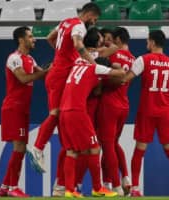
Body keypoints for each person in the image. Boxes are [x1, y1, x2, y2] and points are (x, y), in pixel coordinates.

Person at [27, 2, 101, 175]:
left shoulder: (66, 21)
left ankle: (64, 184)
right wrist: (93, 64)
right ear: (90, 15)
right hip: (60, 75)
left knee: (61, 117)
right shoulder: (79, 27)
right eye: (95, 19)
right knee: (56, 113)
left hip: (56, 73)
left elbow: (49, 38)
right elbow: (77, 43)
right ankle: (38, 147)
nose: (94, 23)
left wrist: (64, 55)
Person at [122, 30, 169, 197]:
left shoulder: (143, 60)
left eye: (147, 41)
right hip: (165, 112)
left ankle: (135, 188)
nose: (146, 44)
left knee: (140, 149)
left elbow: (125, 79)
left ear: (152, 42)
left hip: (147, 110)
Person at [59, 56, 126, 197]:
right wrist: (116, 65)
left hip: (64, 111)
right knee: (94, 148)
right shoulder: (95, 68)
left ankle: (69, 190)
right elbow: (121, 74)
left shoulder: (76, 66)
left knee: (71, 151)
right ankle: (97, 188)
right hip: (77, 111)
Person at [0, 26, 48, 197]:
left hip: (22, 108)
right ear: (21, 40)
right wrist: (46, 72)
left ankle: (5, 186)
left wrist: (55, 69)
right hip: (13, 108)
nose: (34, 39)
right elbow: (24, 78)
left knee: (19, 148)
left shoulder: (30, 59)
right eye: (31, 36)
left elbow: (44, 75)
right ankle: (13, 188)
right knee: (19, 148)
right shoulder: (14, 58)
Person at [96, 27, 135, 196]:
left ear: (118, 40)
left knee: (107, 145)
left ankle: (117, 186)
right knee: (113, 144)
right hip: (124, 104)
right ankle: (123, 179)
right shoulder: (133, 59)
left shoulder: (112, 53)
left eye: (110, 38)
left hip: (109, 103)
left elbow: (104, 73)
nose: (107, 41)